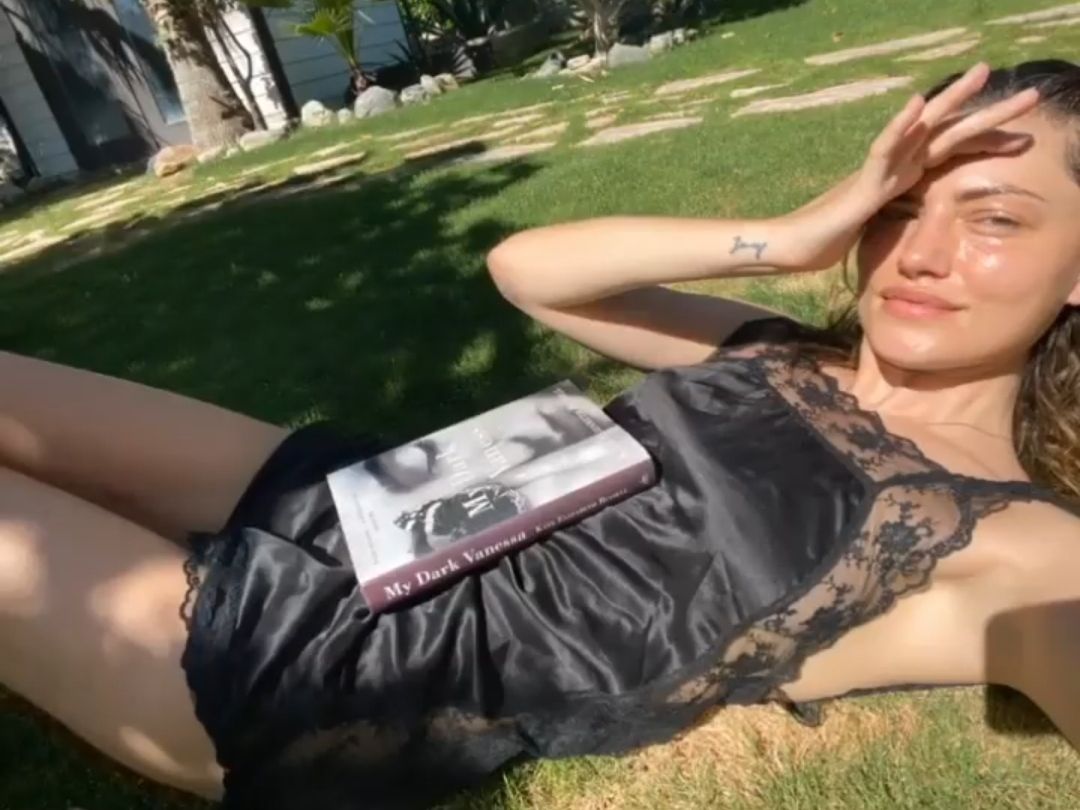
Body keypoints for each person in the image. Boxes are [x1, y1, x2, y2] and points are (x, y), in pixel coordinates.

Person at [1, 59, 1078, 808]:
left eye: (993, 219)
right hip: (372, 501)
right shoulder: (782, 350)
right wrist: (790, 238)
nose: (918, 254)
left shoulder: (1018, 543)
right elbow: (528, 270)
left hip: (349, 665)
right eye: (901, 206)